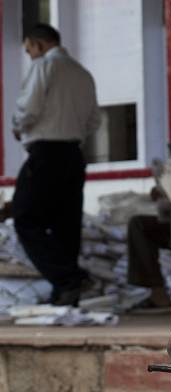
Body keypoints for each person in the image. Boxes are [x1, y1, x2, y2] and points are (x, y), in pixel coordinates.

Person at [11, 24, 100, 306]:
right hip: (73, 154)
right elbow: (94, 121)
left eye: (28, 50)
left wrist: (18, 126)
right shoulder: (83, 74)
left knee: (25, 217)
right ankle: (64, 293)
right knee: (66, 224)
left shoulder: (44, 67)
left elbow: (29, 109)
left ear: (38, 45)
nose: (29, 55)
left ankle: (69, 278)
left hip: (45, 152)